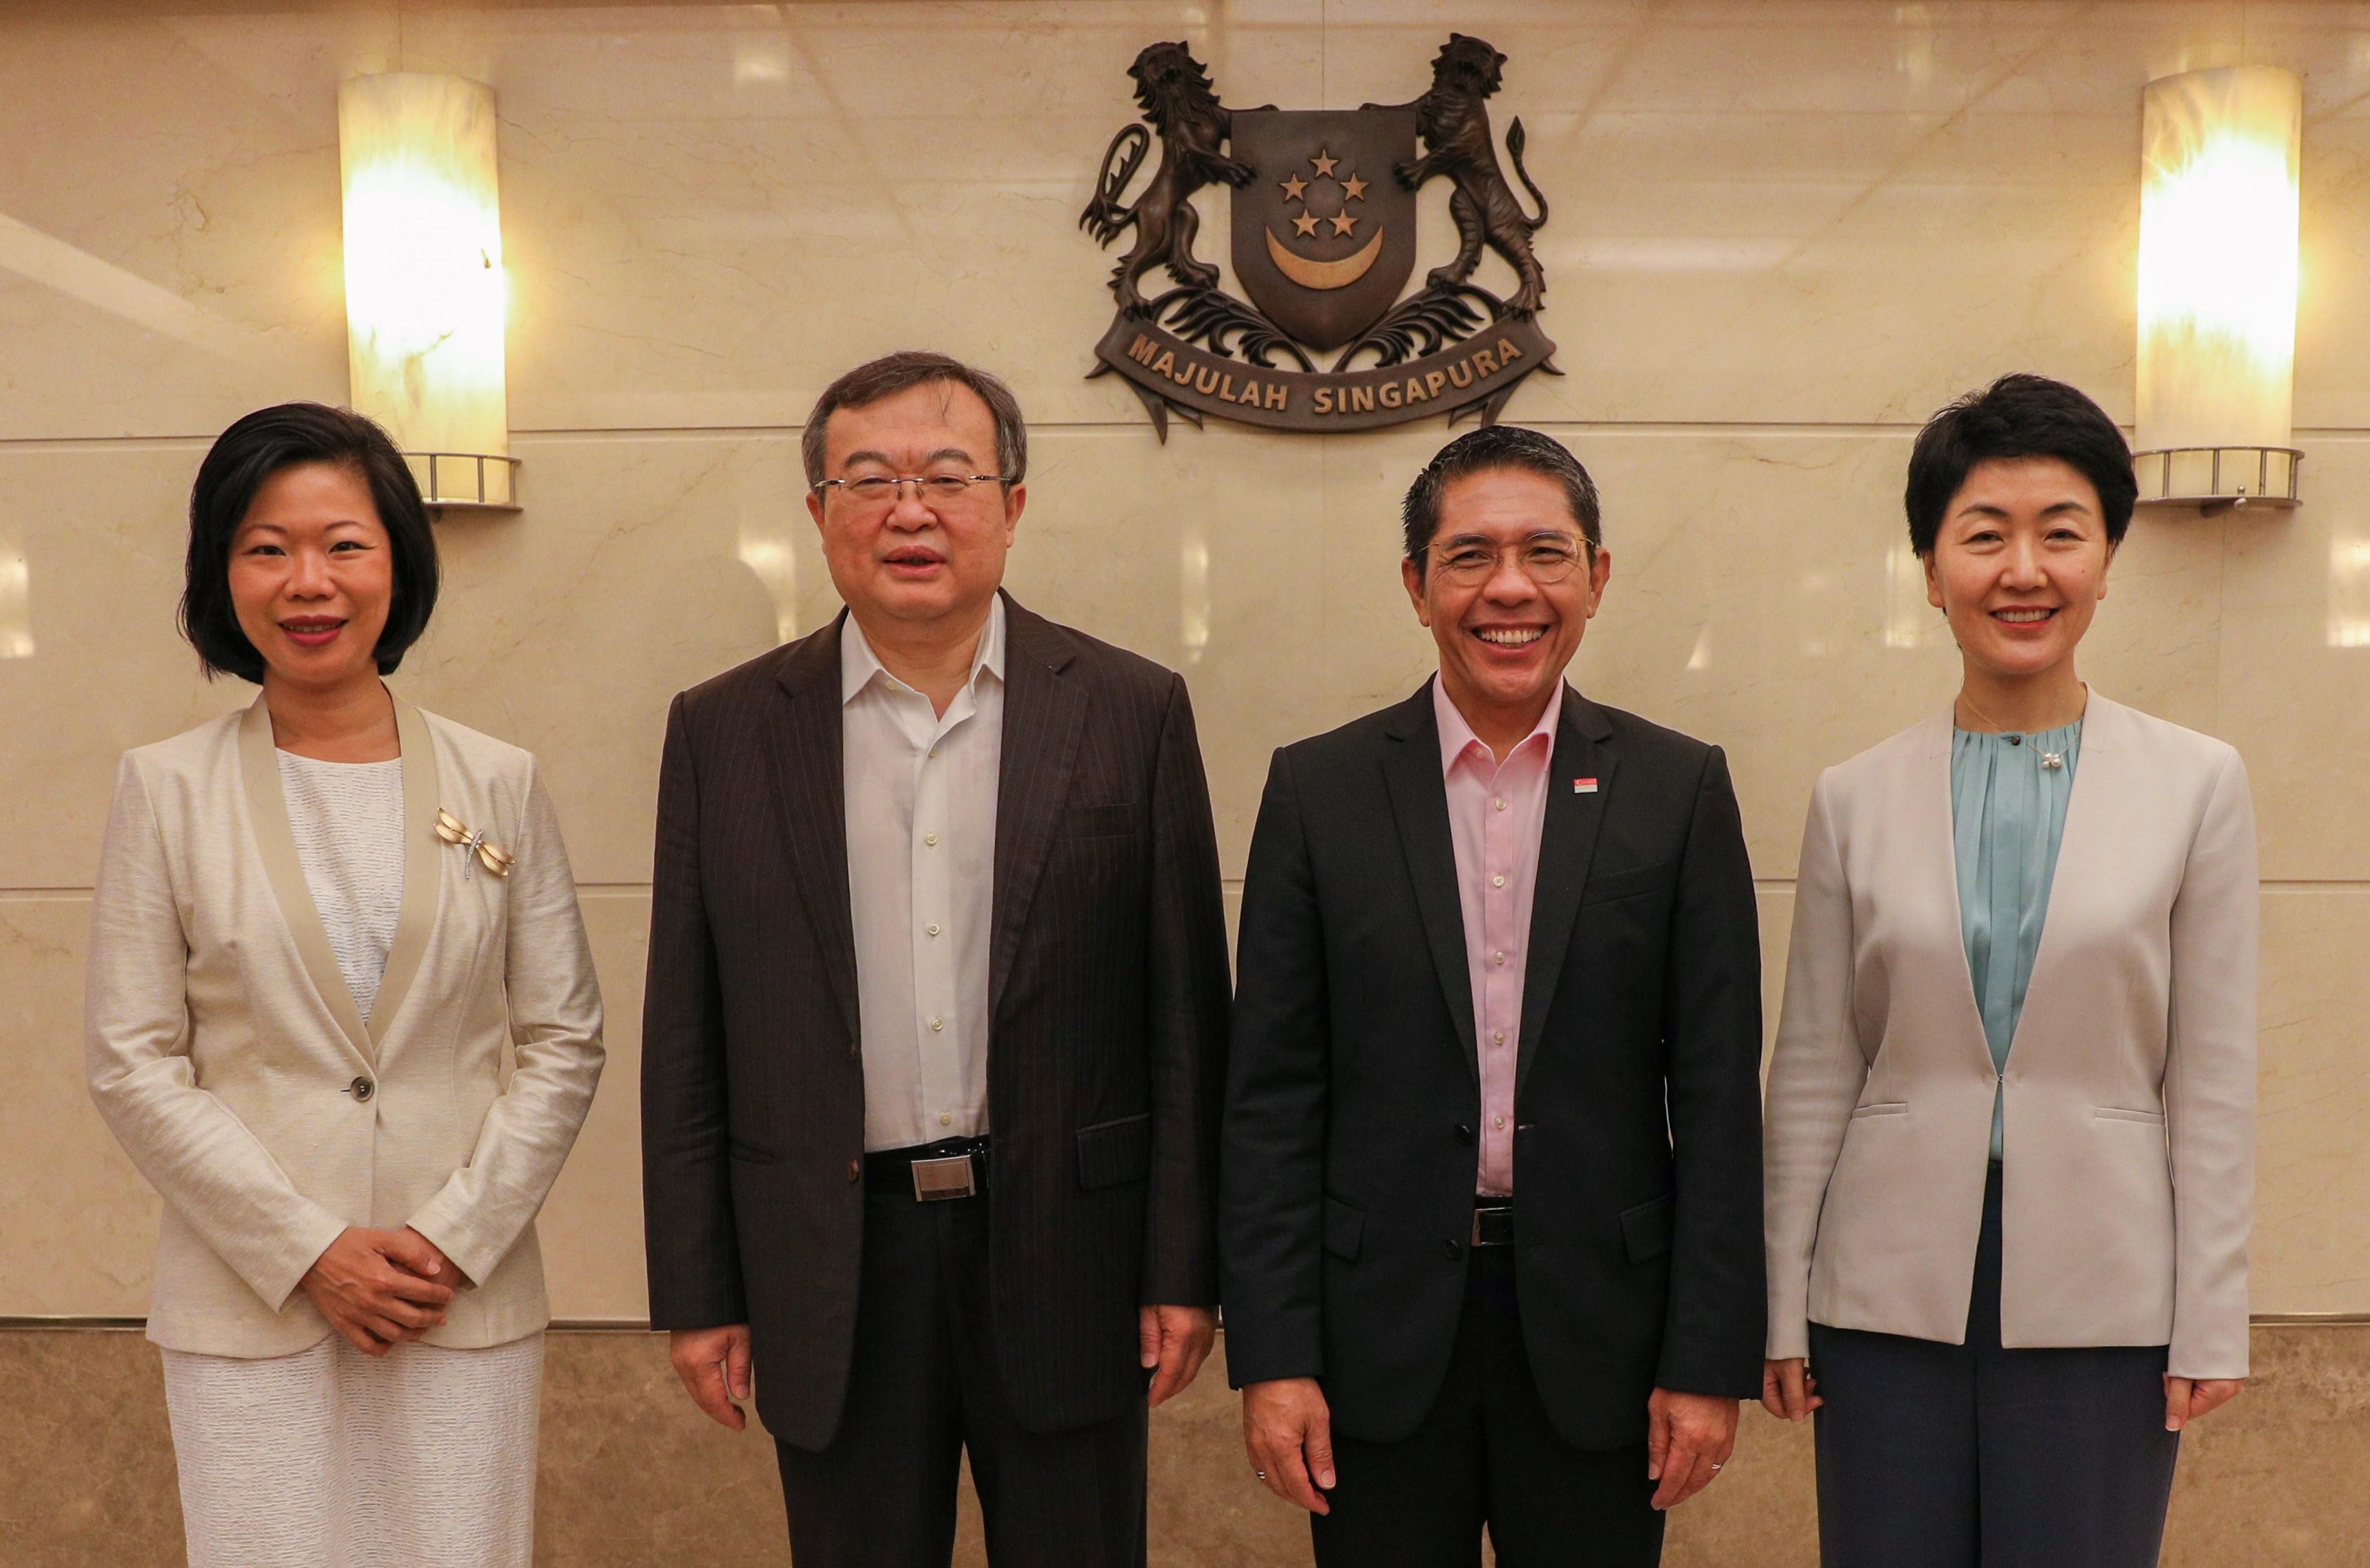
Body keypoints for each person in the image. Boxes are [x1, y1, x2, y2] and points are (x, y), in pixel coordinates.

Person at [639, 351, 1232, 1567]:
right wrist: (700, 1289)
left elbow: (1187, 1020)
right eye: (868, 480)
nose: (909, 510)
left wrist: (1186, 1266)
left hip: (1072, 1251)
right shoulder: (725, 729)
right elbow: (686, 1034)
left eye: (948, 477)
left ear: (1012, 506)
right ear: (819, 516)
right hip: (833, 1259)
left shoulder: (1130, 709)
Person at [1222, 424, 1767, 1566]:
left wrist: (1705, 1362)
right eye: (1468, 556)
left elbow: (1717, 1102)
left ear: (1597, 578)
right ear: (1417, 586)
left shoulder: (1677, 789)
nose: (1508, 588)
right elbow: (1272, 1097)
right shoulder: (1319, 790)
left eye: (1545, 553)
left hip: (1603, 1339)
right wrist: (1274, 1356)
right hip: (1374, 1340)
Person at [84, 402, 606, 1568]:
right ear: (223, 575)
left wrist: (451, 1240)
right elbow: (131, 1058)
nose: (307, 581)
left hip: (455, 1300)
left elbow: (565, 1038)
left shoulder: (501, 780)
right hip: (250, 1302)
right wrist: (309, 1246)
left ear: (398, 565)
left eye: (344, 544)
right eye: (267, 547)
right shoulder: (164, 788)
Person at [1762, 374, 2257, 1567]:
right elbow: (1818, 1065)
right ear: (1931, 569)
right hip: (1883, 1292)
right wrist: (1781, 1300)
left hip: (2106, 1286)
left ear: (2108, 557)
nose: (2022, 570)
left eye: (2062, 533)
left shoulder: (2198, 784)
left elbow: (2214, 1074)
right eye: (1983, 535)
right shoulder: (1854, 795)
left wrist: (2214, 1316)